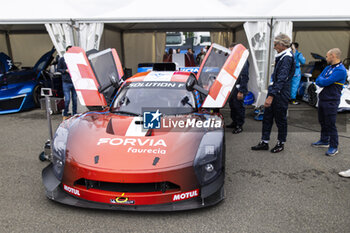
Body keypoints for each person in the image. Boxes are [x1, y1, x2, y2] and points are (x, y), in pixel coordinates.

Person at [251, 33, 295, 153]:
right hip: (275, 90)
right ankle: (264, 141)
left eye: (275, 44)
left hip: (280, 94)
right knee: (267, 117)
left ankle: (281, 143)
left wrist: (270, 96)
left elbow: (281, 79)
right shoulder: (282, 56)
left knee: (280, 120)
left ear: (281, 45)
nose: (274, 46)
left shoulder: (287, 58)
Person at [311, 48, 347, 156]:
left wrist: (323, 81)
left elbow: (326, 81)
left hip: (331, 101)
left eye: (327, 56)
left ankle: (334, 146)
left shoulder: (341, 70)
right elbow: (318, 79)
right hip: (323, 99)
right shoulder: (327, 68)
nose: (326, 58)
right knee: (322, 121)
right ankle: (324, 140)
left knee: (330, 124)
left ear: (333, 56)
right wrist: (323, 81)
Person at [226, 42, 249, 134]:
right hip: (232, 88)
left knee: (238, 107)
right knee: (232, 106)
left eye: (232, 51)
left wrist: (241, 91)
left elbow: (244, 76)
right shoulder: (233, 60)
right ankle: (234, 122)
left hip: (238, 88)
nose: (230, 53)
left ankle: (239, 125)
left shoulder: (243, 60)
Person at [57, 46, 77, 120]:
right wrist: (65, 70)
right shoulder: (62, 59)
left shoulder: (74, 59)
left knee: (74, 99)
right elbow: (58, 69)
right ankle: (65, 113)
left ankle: (74, 113)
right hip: (66, 82)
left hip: (74, 81)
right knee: (67, 99)